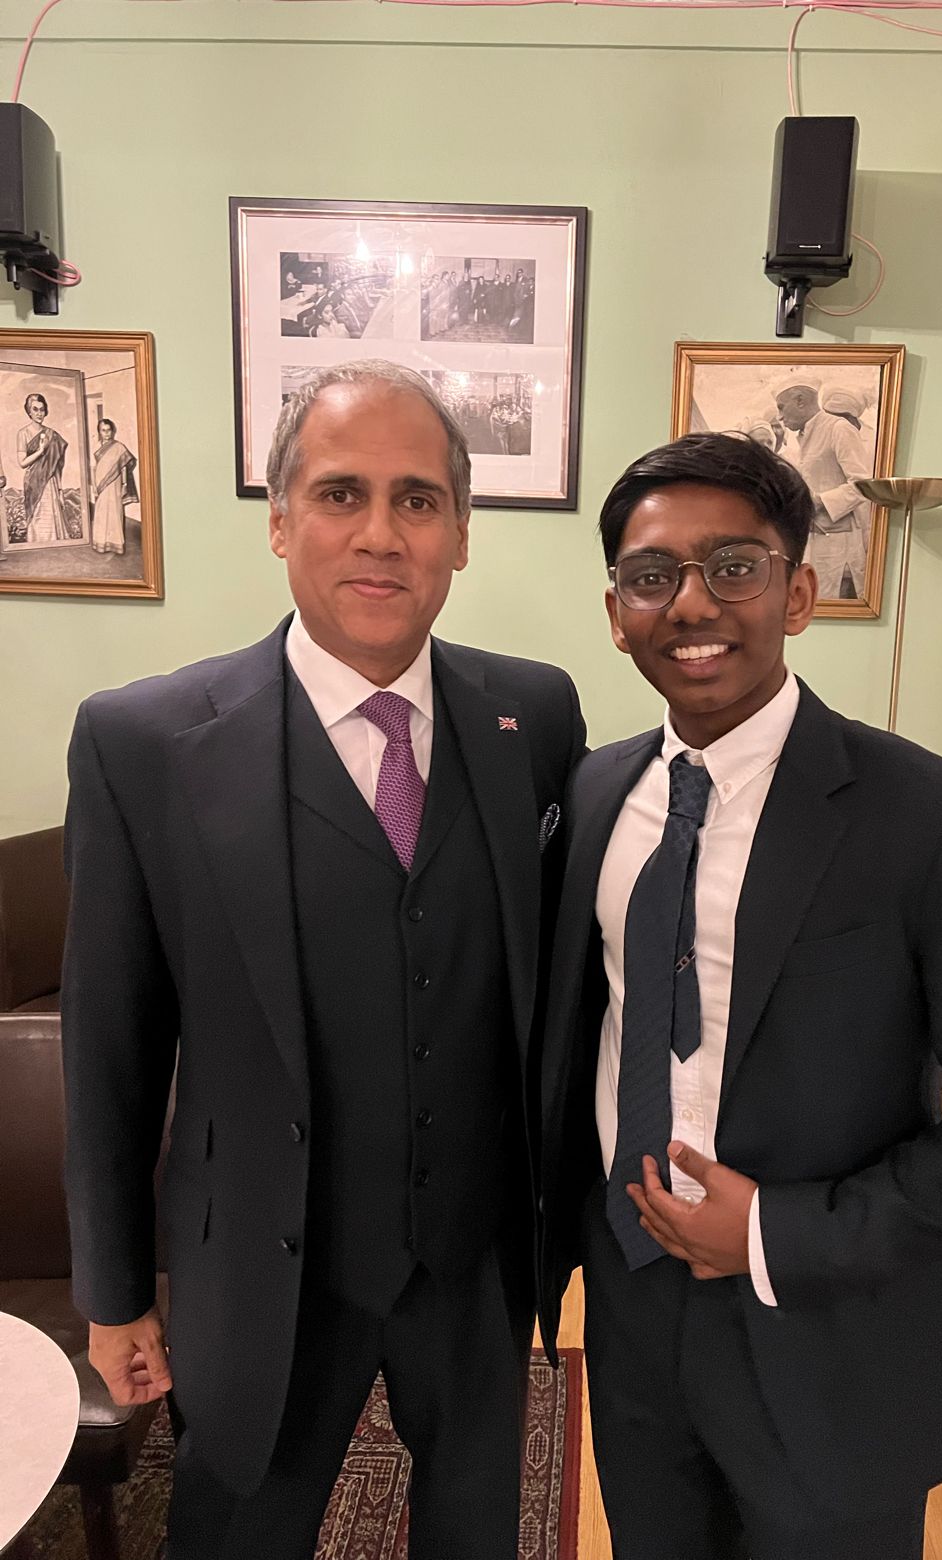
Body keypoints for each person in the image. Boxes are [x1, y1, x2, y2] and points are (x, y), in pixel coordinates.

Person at [538, 432, 942, 1560]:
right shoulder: (594, 793)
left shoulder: (934, 819)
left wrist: (776, 1233)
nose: (692, 603)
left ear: (797, 593)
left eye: (733, 567)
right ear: (616, 613)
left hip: (830, 1332)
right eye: (652, 576)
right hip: (632, 1309)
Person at [62, 360, 586, 1560]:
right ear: (280, 519)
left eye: (418, 499)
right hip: (261, 1266)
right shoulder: (145, 743)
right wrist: (114, 1291)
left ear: (462, 533)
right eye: (342, 493)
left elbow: (562, 991)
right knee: (237, 1532)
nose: (381, 534)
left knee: (475, 1533)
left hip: (476, 1262)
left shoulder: (537, 719)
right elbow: (109, 1046)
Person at [774, 382, 870, 598]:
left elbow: (863, 484)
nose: (780, 417)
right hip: (812, 542)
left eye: (781, 407)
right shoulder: (800, 440)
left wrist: (818, 502)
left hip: (840, 544)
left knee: (834, 602)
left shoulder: (838, 428)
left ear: (800, 400)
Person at [18, 391, 69, 545]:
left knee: (51, 520)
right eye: (35, 409)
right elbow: (22, 463)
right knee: (37, 520)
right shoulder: (23, 433)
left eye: (42, 409)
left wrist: (60, 491)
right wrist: (40, 451)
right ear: (29, 411)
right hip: (33, 483)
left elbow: (56, 467)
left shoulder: (52, 435)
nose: (39, 413)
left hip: (50, 483)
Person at [90, 418, 138, 555]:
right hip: (100, 485)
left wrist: (124, 484)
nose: (106, 433)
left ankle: (116, 544)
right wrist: (94, 486)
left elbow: (123, 468)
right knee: (101, 513)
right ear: (99, 432)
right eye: (103, 430)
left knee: (115, 512)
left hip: (115, 484)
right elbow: (93, 468)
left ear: (112, 431)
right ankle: (101, 543)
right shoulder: (95, 447)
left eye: (108, 430)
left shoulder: (119, 447)